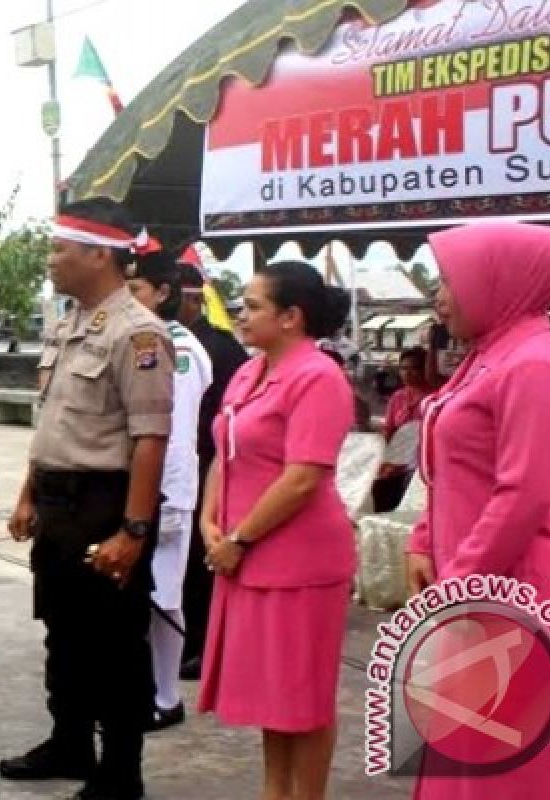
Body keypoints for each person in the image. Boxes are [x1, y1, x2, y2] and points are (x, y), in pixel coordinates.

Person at [405, 222, 550, 799]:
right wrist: (421, 539)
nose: (440, 295)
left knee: (502, 775)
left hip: (522, 593)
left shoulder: (532, 366)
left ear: (500, 279)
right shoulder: (490, 355)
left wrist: (455, 585)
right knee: (462, 765)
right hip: (481, 587)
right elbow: (452, 466)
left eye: (452, 280)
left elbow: (522, 496)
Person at [0, 199, 173, 800]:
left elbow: (150, 440)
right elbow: (50, 424)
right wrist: (27, 495)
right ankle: (69, 741)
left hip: (106, 502)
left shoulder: (138, 332)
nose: (49, 260)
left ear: (99, 254)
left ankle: (121, 771)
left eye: (58, 248)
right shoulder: (68, 323)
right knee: (63, 631)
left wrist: (134, 529)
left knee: (115, 645)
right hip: (57, 503)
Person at [198, 261, 355, 800]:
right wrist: (209, 519)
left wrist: (238, 539)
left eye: (254, 305)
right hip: (245, 555)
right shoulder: (249, 371)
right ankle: (274, 791)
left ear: (291, 317)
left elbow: (303, 477)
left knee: (304, 696)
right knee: (274, 692)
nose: (242, 314)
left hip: (298, 561)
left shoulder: (318, 376)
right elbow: (226, 452)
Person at [124, 241, 212, 731]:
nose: (127, 297)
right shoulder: (143, 339)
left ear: (161, 293)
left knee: (164, 595)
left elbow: (173, 435)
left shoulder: (178, 349)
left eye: (134, 288)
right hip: (140, 487)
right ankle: (145, 688)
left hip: (166, 491)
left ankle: (165, 695)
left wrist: (158, 494)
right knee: (141, 595)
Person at [174, 254, 249, 681]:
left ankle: (203, 644)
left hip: (209, 462)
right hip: (173, 463)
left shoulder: (219, 346)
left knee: (202, 559)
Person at [371, 347, 430, 511]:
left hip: (420, 460)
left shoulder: (434, 396)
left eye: (414, 368)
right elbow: (389, 430)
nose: (408, 373)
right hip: (398, 457)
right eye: (404, 368)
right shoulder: (398, 397)